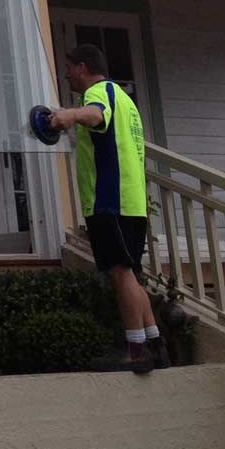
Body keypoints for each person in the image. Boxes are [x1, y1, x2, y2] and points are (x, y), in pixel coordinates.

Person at [50, 43, 167, 373]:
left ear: (83, 67)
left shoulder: (98, 93)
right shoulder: (126, 99)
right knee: (129, 274)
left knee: (120, 272)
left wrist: (67, 115)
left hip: (110, 199)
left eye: (70, 68)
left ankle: (136, 352)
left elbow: (96, 114)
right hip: (132, 201)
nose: (67, 75)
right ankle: (155, 344)